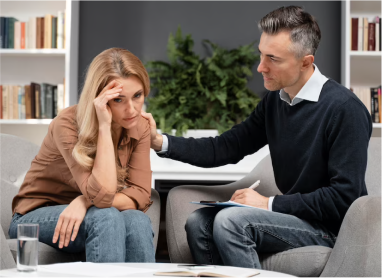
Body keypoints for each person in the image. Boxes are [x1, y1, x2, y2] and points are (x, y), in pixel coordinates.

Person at [141, 6, 372, 269]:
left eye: (273, 59)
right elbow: (227, 147)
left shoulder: (345, 109)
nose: (261, 67)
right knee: (198, 222)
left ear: (305, 61)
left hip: (333, 230)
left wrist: (268, 203)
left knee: (231, 222)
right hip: (295, 218)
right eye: (261, 55)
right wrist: (160, 142)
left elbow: (344, 197)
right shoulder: (276, 100)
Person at [9, 48, 155, 263]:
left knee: (136, 220)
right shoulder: (67, 124)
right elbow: (103, 197)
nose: (132, 110)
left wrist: (84, 202)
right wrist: (104, 127)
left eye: (137, 96)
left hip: (92, 212)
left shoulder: (139, 126)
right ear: (99, 98)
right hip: (34, 217)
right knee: (106, 217)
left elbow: (141, 196)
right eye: (118, 100)